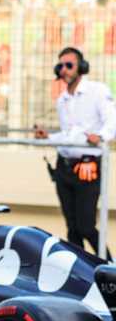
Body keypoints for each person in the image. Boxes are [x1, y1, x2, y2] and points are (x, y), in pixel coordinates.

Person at [34, 47, 116, 257]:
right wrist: (48, 138)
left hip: (88, 167)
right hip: (64, 167)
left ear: (81, 67)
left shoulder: (97, 91)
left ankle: (108, 268)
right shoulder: (62, 100)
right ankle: (79, 275)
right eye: (60, 65)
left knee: (86, 225)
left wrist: (102, 136)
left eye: (69, 65)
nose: (64, 70)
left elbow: (112, 120)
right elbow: (68, 135)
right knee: (72, 227)